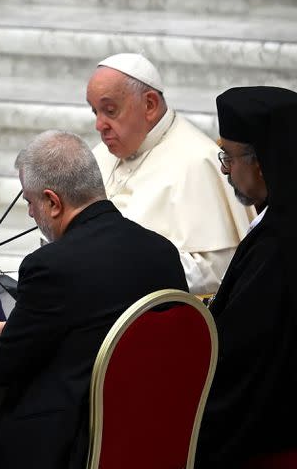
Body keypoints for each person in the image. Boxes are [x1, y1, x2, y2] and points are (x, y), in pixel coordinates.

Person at [0, 130, 187, 469]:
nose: (29, 214)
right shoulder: (162, 252)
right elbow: (97, 326)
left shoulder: (50, 265)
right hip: (146, 437)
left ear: (53, 202)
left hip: (63, 445)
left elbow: (1, 368)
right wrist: (12, 329)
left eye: (29, 202)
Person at [87, 53, 252, 295]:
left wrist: (119, 269)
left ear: (150, 105)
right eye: (95, 112)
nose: (99, 125)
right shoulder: (101, 154)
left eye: (110, 111)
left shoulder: (199, 161)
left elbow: (218, 271)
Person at [196, 86, 297, 468]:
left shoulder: (278, 245)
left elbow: (241, 355)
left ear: (262, 162)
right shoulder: (278, 221)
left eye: (229, 156)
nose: (224, 169)